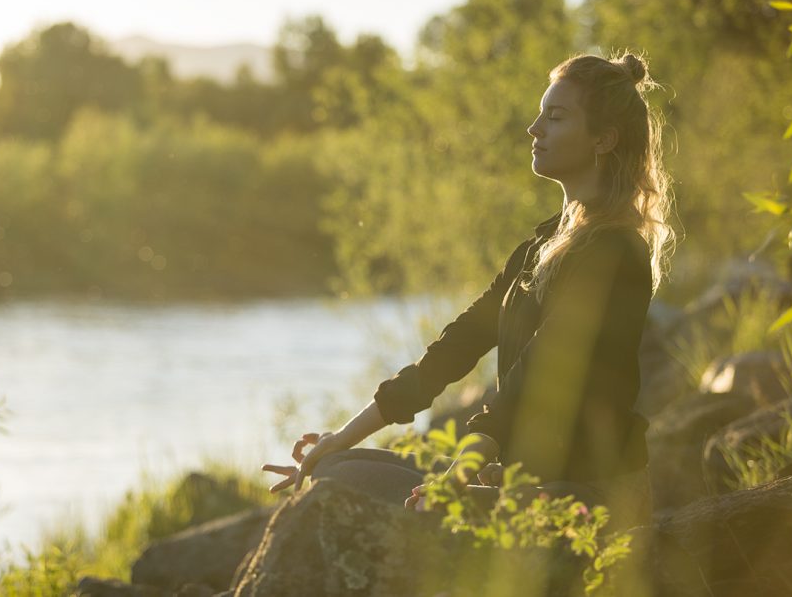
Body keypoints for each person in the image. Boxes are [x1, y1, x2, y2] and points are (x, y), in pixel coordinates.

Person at [262, 51, 675, 531]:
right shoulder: (541, 244)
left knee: (368, 496)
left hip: (586, 494)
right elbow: (453, 349)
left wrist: (459, 476)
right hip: (523, 478)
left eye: (556, 117)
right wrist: (342, 436)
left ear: (604, 139)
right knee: (336, 468)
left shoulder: (615, 254)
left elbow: (537, 377)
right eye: (540, 113)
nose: (534, 128)